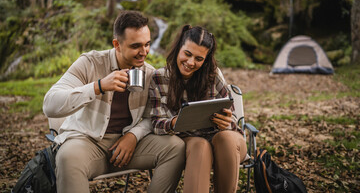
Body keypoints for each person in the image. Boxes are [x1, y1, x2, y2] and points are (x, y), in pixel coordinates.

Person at [43, 10, 185, 193]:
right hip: (88, 141)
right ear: (117, 44)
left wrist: (133, 135)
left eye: (147, 44)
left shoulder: (149, 73)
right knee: (67, 157)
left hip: (128, 146)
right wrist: (98, 86)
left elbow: (153, 116)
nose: (144, 52)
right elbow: (50, 105)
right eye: (136, 46)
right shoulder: (90, 63)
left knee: (175, 147)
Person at [149, 25, 247, 193]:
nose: (191, 63)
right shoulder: (159, 78)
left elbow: (233, 119)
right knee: (200, 146)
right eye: (187, 54)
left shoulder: (212, 76)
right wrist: (173, 122)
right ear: (179, 47)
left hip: (227, 140)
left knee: (225, 139)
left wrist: (226, 122)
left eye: (199, 59)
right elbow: (156, 123)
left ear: (206, 59)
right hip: (190, 140)